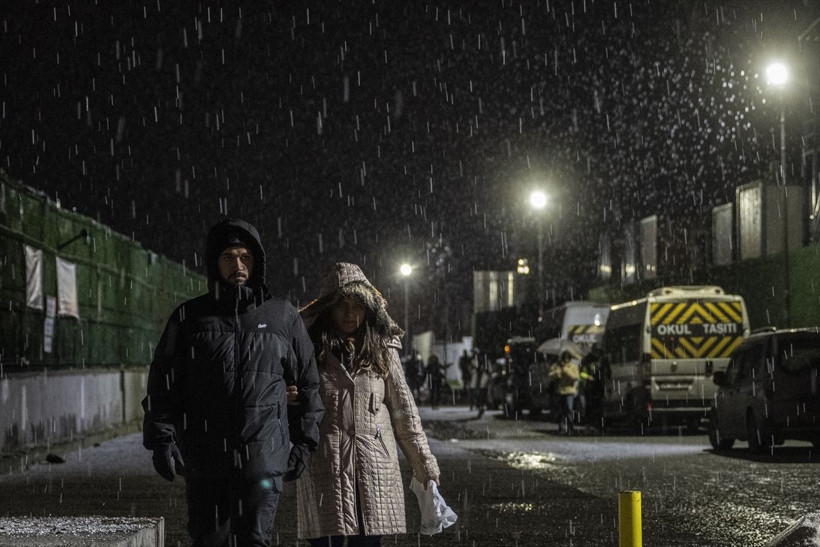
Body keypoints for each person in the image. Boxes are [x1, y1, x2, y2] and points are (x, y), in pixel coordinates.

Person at [141, 218, 324, 547]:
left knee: (255, 541)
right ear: (214, 262)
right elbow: (163, 384)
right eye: (228, 257)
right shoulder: (190, 317)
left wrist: (304, 444)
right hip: (204, 462)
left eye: (245, 257)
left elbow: (309, 386)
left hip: (263, 461)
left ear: (257, 261)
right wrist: (162, 440)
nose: (238, 265)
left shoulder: (283, 317)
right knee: (210, 542)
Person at [296, 262, 441, 547]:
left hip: (374, 468)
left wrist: (425, 466)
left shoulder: (383, 352)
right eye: (342, 306)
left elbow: (405, 415)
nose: (350, 314)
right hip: (327, 470)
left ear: (369, 309)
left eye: (358, 306)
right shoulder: (308, 352)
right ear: (328, 309)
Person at [549, 350, 580, 435]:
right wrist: (557, 373)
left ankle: (571, 428)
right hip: (560, 390)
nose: (566, 359)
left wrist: (565, 370)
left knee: (569, 410)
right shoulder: (557, 366)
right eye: (564, 357)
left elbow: (576, 376)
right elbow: (551, 375)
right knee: (561, 411)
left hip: (569, 390)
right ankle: (562, 428)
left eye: (567, 357)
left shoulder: (572, 366)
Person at [469, 350, 490, 418]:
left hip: (480, 383)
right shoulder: (477, 361)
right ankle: (480, 407)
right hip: (479, 383)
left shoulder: (482, 362)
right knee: (479, 395)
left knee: (480, 395)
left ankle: (480, 407)